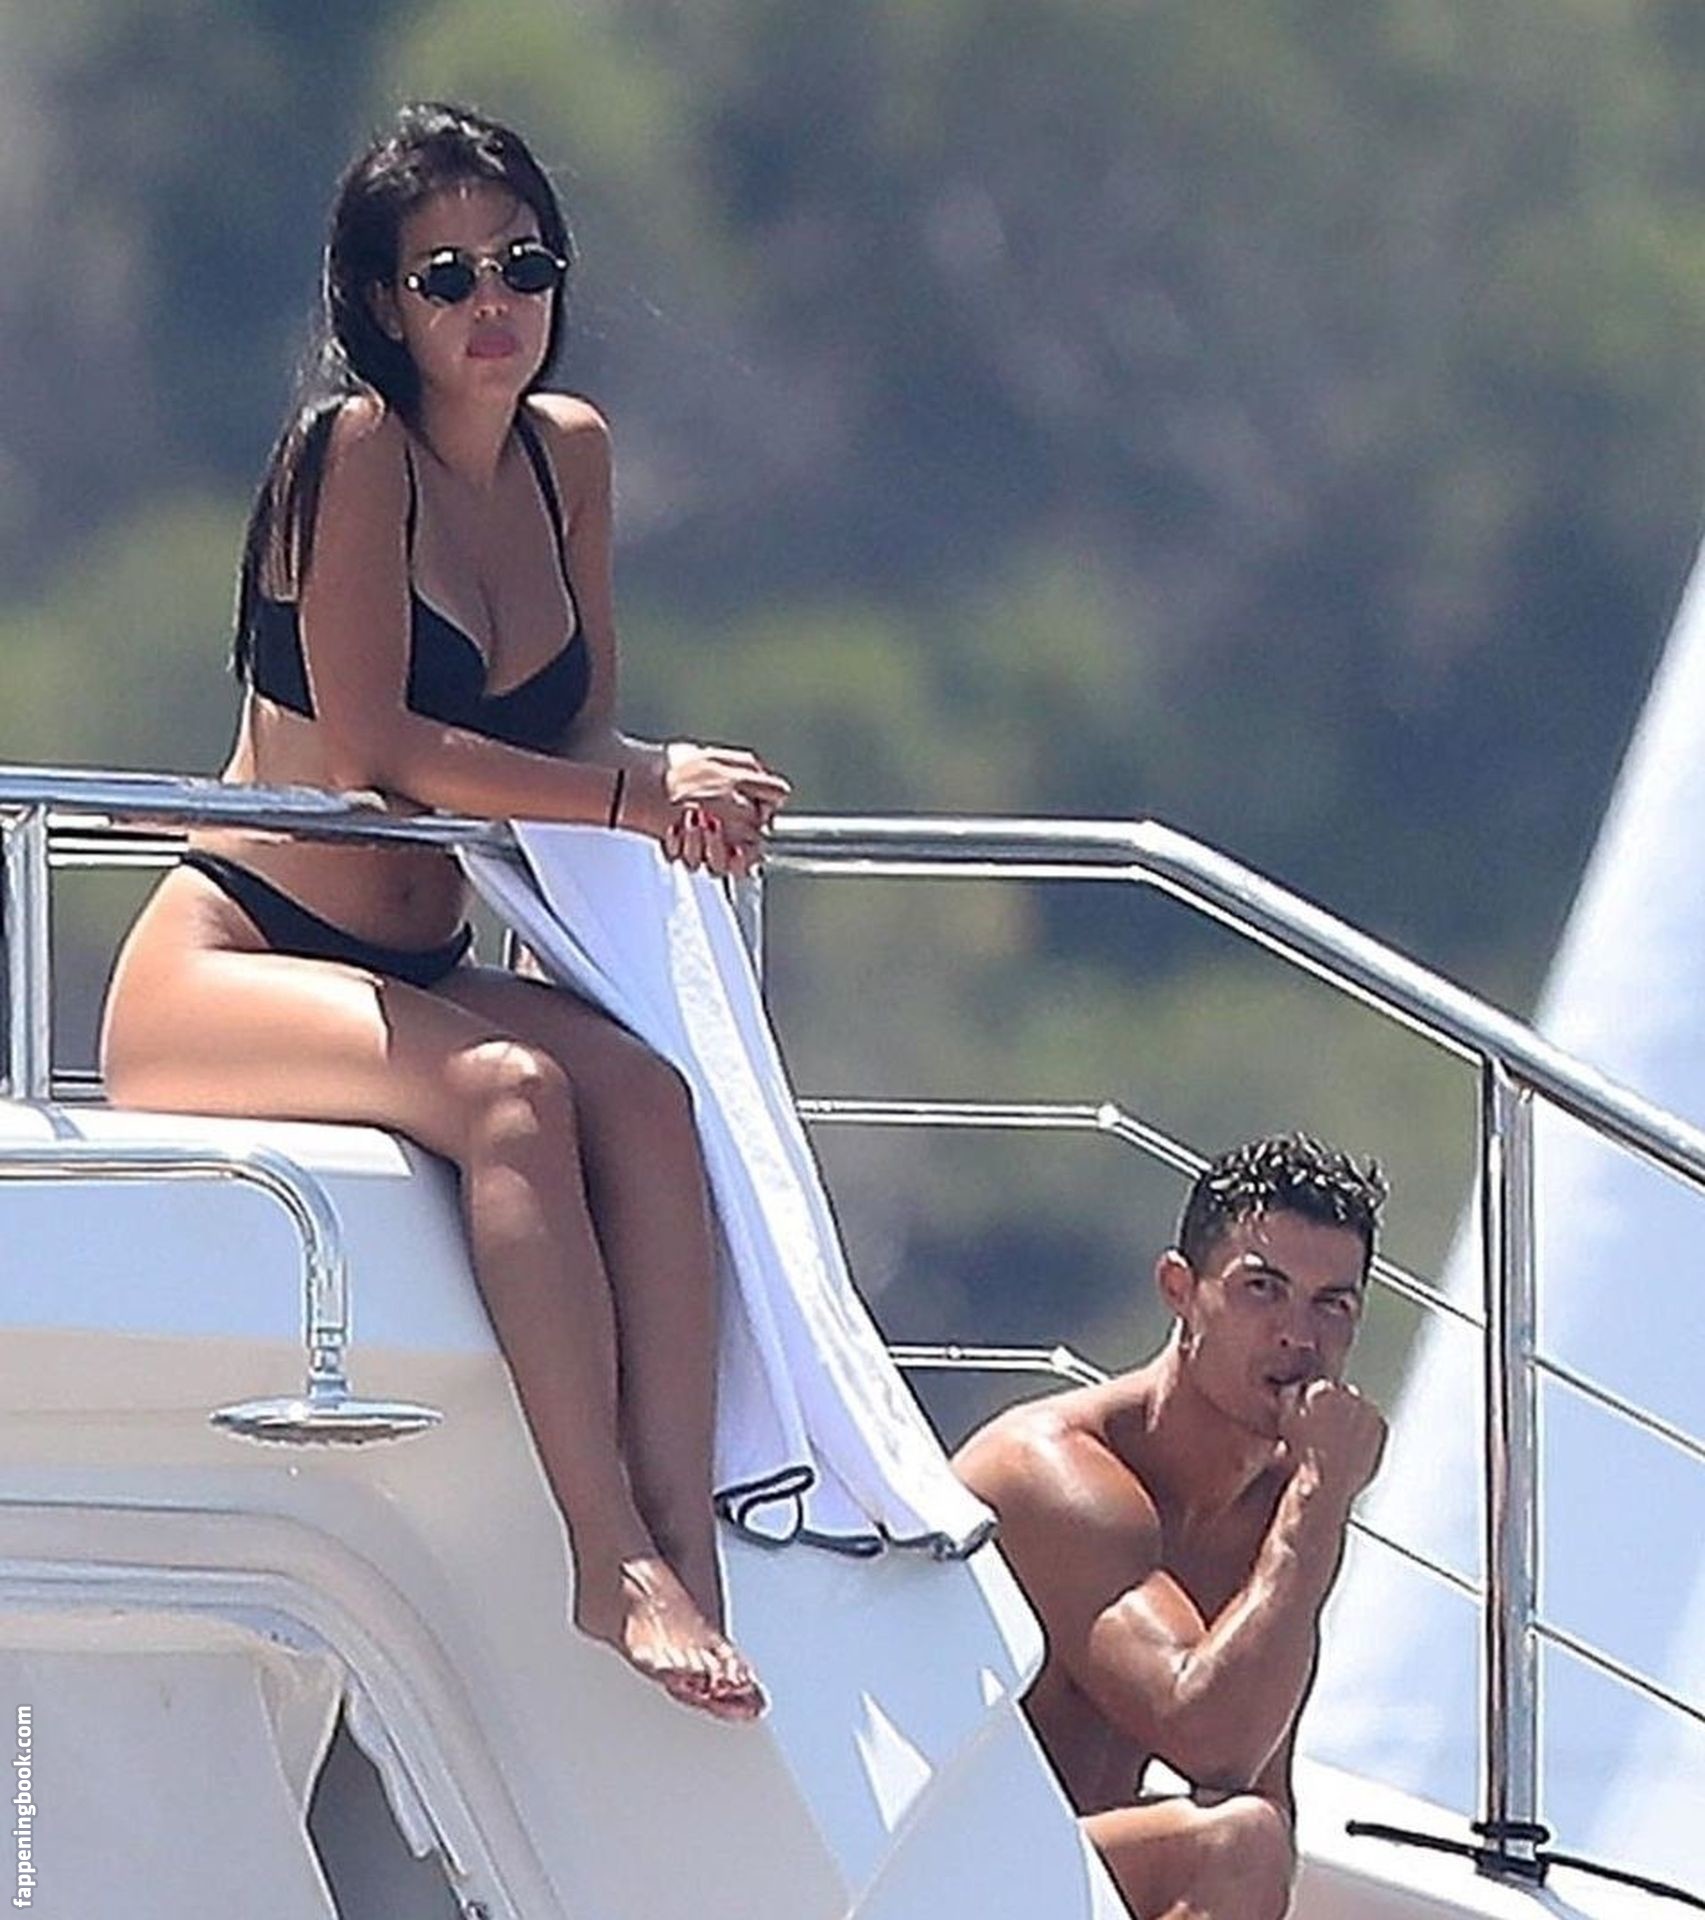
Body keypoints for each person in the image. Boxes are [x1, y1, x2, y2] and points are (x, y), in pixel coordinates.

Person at [99, 101, 791, 1723]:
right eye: (448, 275)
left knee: (649, 1098)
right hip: (232, 955)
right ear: (379, 305)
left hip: (415, 958)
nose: (494, 304)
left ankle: (687, 1537)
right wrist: (629, 801)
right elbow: (381, 753)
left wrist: (674, 777)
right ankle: (606, 1560)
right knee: (513, 1095)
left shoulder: (572, 455)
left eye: (523, 265)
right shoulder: (349, 455)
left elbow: (574, 734)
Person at [954, 1133, 1389, 1918]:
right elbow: (1209, 1740)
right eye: (1262, 1289)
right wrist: (1322, 1499)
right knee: (1236, 1846)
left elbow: (1259, 1781)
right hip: (914, 1879)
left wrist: (1310, 1502)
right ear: (1179, 1289)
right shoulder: (1050, 1470)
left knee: (1251, 1835)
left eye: (1332, 1305)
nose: (1299, 1337)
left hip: (1047, 1884)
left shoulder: (1280, 1505)